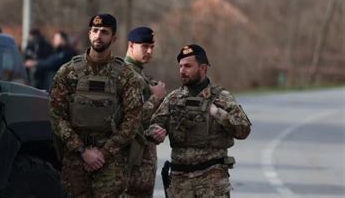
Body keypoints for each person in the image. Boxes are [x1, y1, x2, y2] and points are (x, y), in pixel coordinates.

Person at [49, 14, 143, 197]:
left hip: (110, 161)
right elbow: (56, 115)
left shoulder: (126, 75)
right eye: (94, 31)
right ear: (89, 34)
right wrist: (82, 150)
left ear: (113, 38)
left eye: (104, 32)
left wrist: (104, 154)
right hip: (75, 158)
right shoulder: (68, 72)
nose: (98, 36)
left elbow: (133, 120)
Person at [148, 44, 251, 198]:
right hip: (180, 181)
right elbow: (155, 124)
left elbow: (244, 130)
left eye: (188, 66)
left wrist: (218, 113)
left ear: (203, 68)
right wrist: (156, 132)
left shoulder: (221, 97)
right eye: (181, 66)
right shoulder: (173, 98)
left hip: (211, 180)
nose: (182, 70)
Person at [123, 27, 166, 198]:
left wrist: (157, 128)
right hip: (130, 161)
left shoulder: (139, 74)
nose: (149, 51)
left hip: (143, 160)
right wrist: (156, 97)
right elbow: (130, 117)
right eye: (145, 46)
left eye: (152, 47)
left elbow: (146, 119)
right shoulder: (125, 74)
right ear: (131, 45)